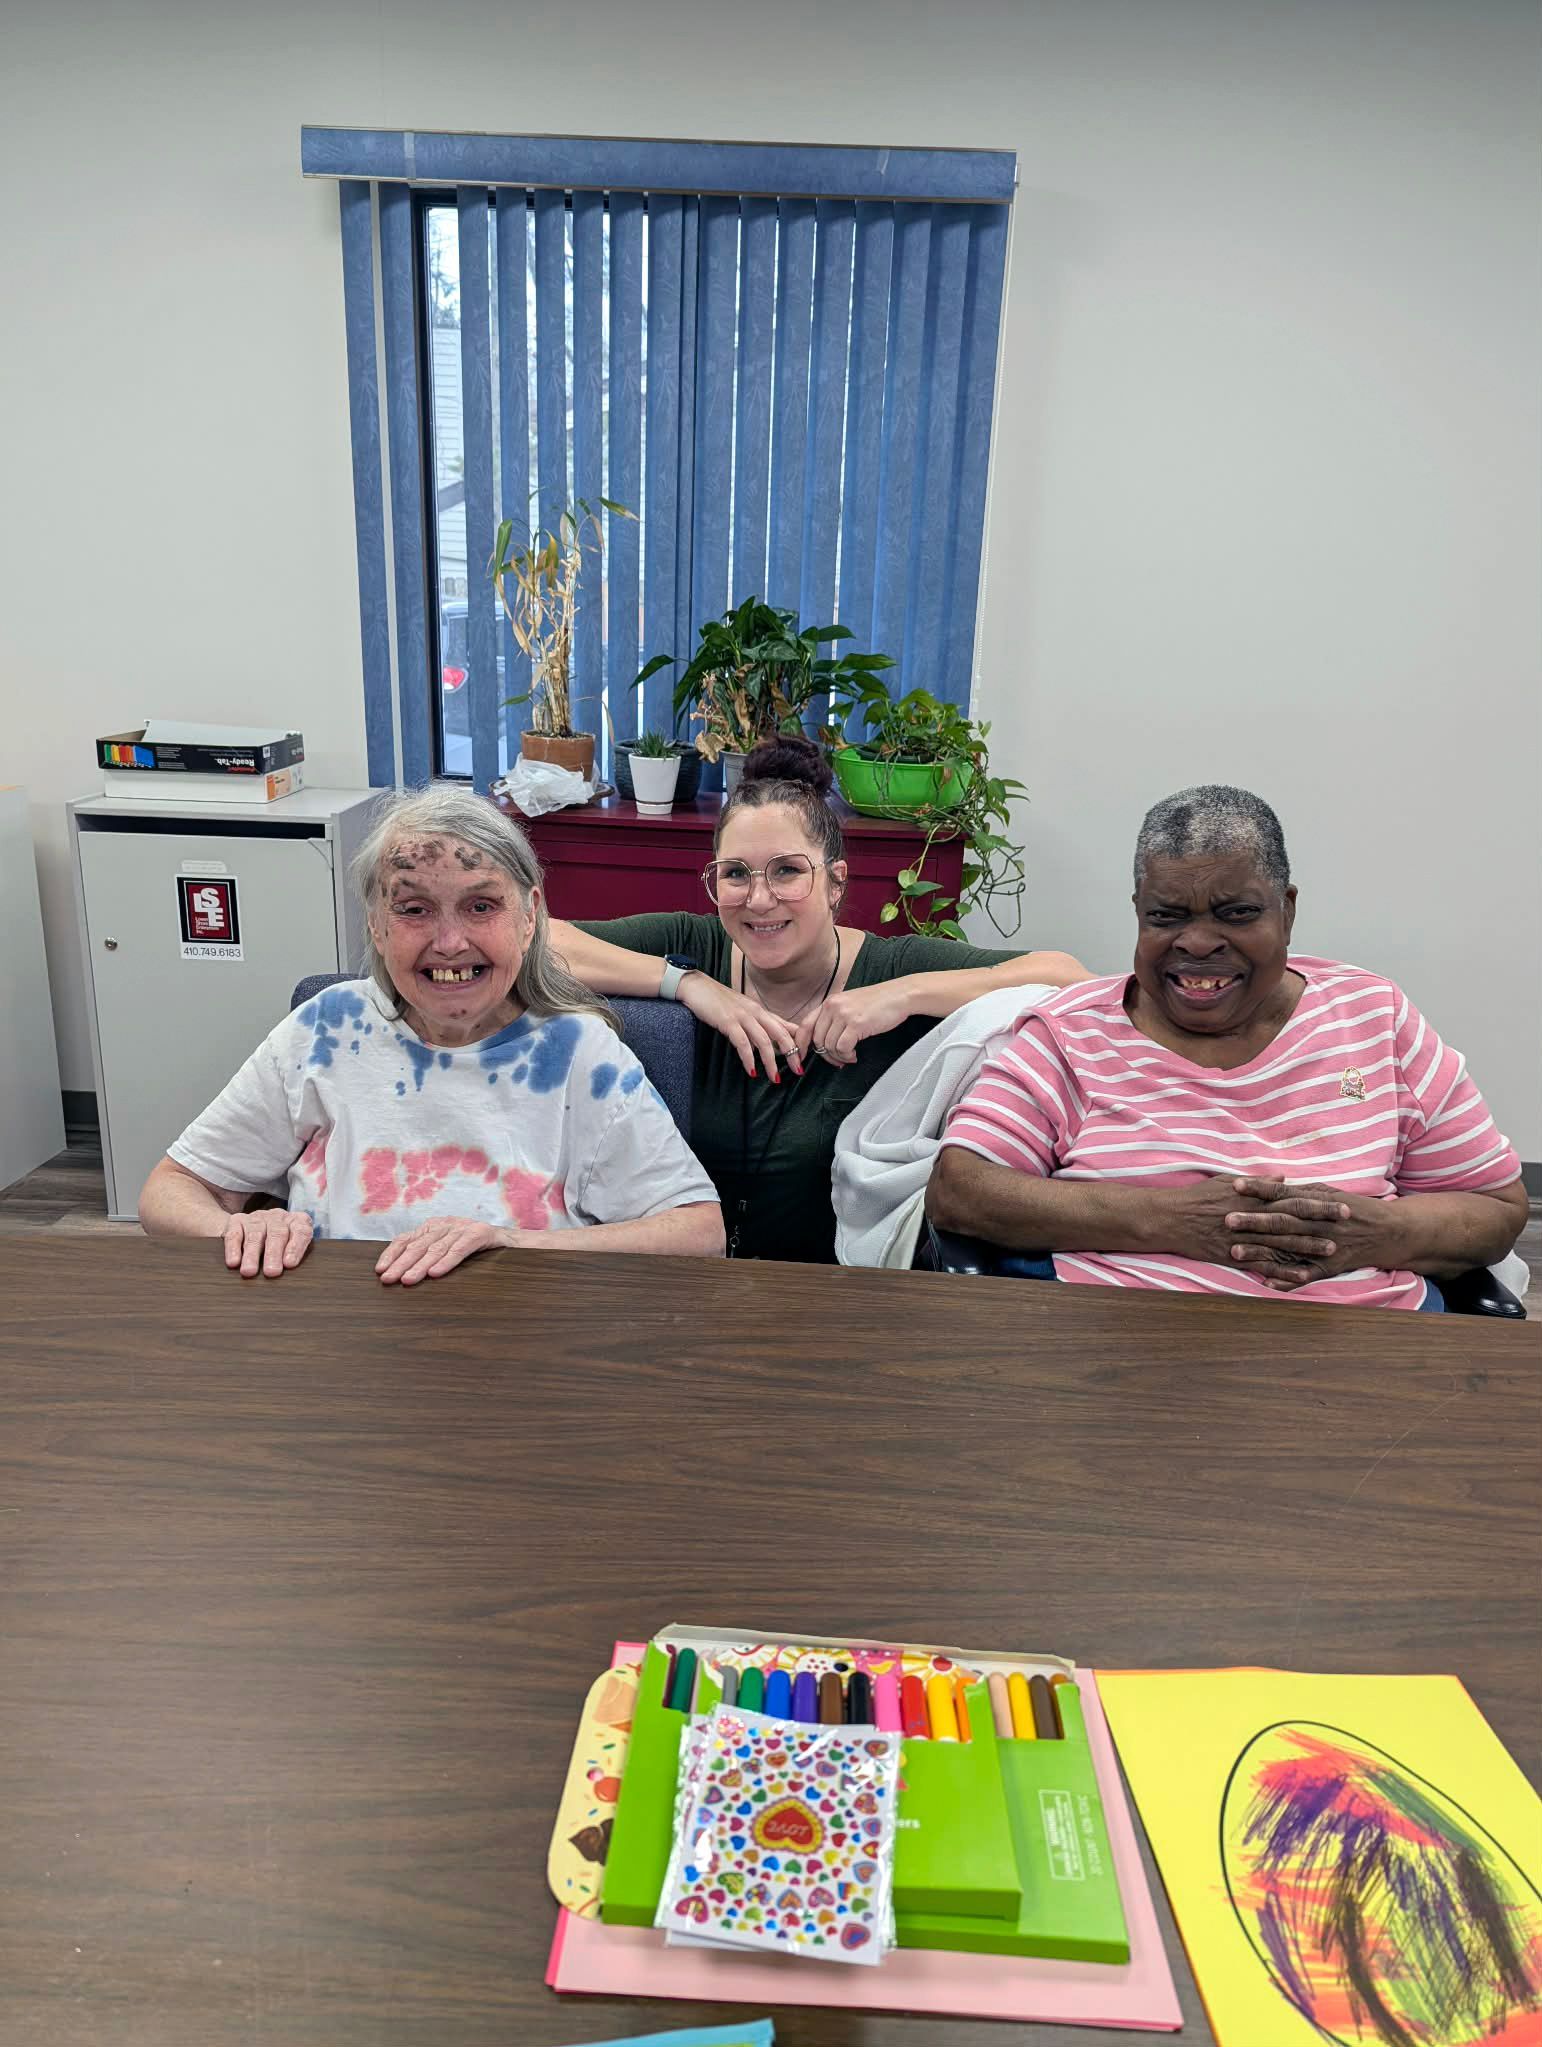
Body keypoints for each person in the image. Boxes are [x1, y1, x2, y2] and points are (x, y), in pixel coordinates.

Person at [927, 785, 1526, 1310]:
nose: (1198, 943)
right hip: (1116, 1357)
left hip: (1368, 1352)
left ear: (1286, 912)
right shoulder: (1070, 1034)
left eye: (1236, 913)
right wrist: (1172, 1221)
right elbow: (961, 1190)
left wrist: (1378, 1233)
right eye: (1166, 916)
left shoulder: (1374, 1016)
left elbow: (1495, 1207)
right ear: (1138, 912)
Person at [140, 787, 723, 1281]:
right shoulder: (327, 1028)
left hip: (528, 1342)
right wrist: (239, 1227)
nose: (449, 943)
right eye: (414, 909)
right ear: (375, 923)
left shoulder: (580, 1054)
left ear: (529, 919)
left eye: (481, 906)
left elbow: (698, 1232)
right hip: (338, 1341)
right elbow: (169, 1190)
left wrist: (507, 1241)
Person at [549, 735, 1091, 1263]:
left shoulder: (891, 967)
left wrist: (903, 995)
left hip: (837, 1302)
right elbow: (534, 941)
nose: (760, 900)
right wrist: (688, 984)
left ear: (835, 883)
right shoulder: (693, 947)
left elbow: (1067, 977)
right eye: (736, 874)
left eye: (787, 871)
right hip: (687, 1283)